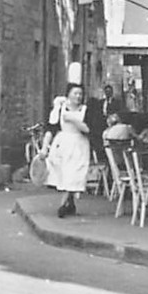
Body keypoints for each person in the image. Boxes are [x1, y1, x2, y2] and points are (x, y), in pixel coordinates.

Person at [45, 84, 92, 217]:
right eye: (75, 93)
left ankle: (62, 204)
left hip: (79, 145)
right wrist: (44, 148)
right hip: (63, 144)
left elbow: (88, 129)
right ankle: (70, 203)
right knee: (65, 175)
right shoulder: (60, 109)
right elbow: (51, 129)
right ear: (68, 95)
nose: (78, 96)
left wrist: (73, 120)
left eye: (80, 94)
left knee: (74, 174)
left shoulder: (85, 110)